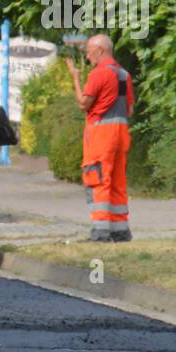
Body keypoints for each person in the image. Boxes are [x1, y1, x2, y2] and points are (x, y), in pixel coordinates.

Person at [65, 34, 134, 242]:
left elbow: (83, 104)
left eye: (89, 52)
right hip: (121, 133)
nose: (87, 57)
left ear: (100, 51)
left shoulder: (99, 74)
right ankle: (121, 230)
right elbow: (129, 109)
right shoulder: (124, 75)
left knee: (98, 179)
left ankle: (100, 231)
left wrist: (76, 78)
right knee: (117, 181)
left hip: (102, 134)